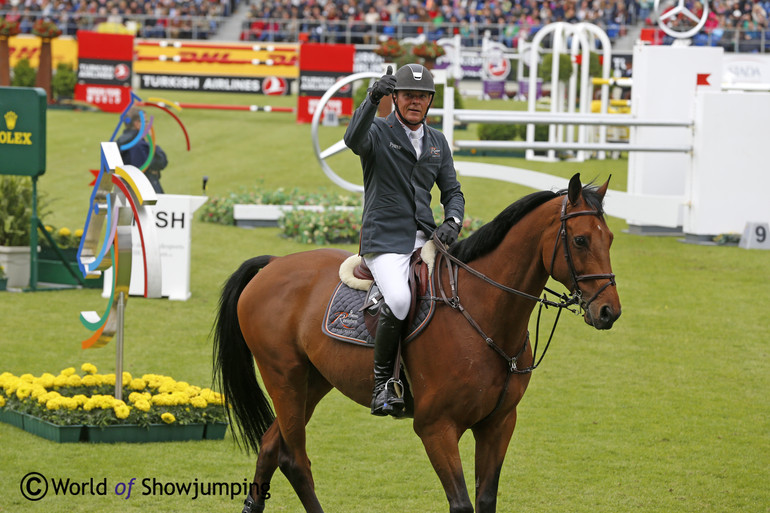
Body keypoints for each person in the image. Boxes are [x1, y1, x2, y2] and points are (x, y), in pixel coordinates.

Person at [343, 64, 465, 417]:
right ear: (396, 97)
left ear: (430, 101)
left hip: (426, 238)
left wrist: (452, 222)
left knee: (461, 291)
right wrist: (372, 98)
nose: (415, 102)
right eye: (409, 95)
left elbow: (452, 191)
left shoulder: (438, 141)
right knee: (398, 299)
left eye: (422, 96)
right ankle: (383, 385)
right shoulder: (379, 131)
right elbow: (352, 139)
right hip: (385, 240)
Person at [116, 108, 168, 193]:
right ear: (137, 124)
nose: (148, 125)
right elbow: (161, 162)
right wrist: (151, 142)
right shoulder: (138, 145)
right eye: (146, 121)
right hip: (145, 192)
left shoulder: (120, 141)